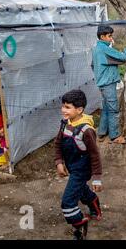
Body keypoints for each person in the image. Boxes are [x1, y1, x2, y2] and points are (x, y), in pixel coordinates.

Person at [54, 89, 103, 240]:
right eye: (63, 106)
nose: (63, 110)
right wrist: (59, 162)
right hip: (71, 165)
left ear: (79, 109)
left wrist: (96, 177)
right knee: (81, 189)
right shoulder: (65, 124)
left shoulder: (86, 130)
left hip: (82, 169)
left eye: (68, 107)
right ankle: (95, 208)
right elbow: (57, 144)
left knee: (68, 202)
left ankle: (79, 225)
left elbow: (95, 155)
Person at [92, 25, 126, 144]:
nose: (111, 38)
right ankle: (115, 136)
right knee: (113, 109)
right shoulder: (104, 49)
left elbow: (93, 65)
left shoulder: (96, 48)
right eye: (109, 36)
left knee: (107, 108)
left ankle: (101, 133)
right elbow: (123, 57)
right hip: (108, 83)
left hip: (102, 83)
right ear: (102, 37)